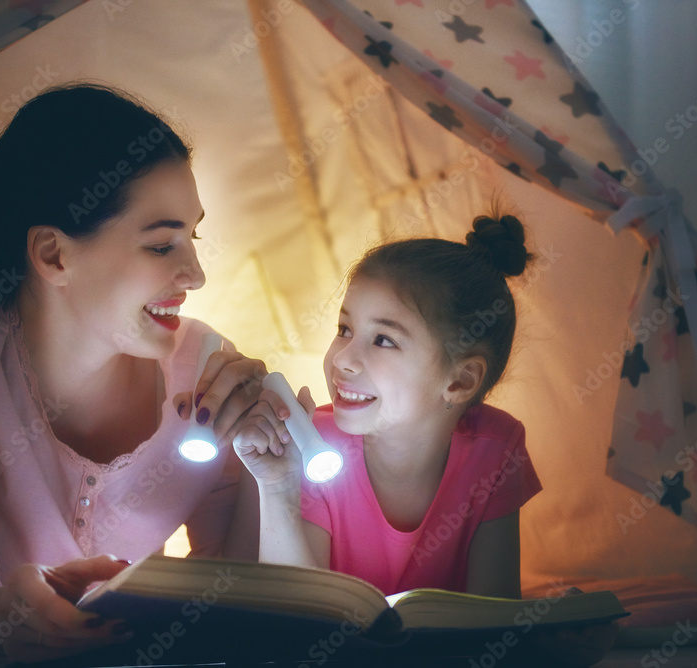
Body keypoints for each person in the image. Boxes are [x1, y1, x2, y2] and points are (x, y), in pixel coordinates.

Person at [0, 84, 262, 662]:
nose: (196, 274)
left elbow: (225, 593)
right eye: (162, 246)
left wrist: (270, 473)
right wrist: (2, 618)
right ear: (53, 255)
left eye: (193, 237)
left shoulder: (205, 370)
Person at [231, 213, 543, 598]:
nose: (343, 358)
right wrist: (278, 486)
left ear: (459, 381)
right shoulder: (312, 445)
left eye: (383, 340)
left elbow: (495, 615)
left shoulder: (497, 448)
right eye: (344, 329)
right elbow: (294, 619)